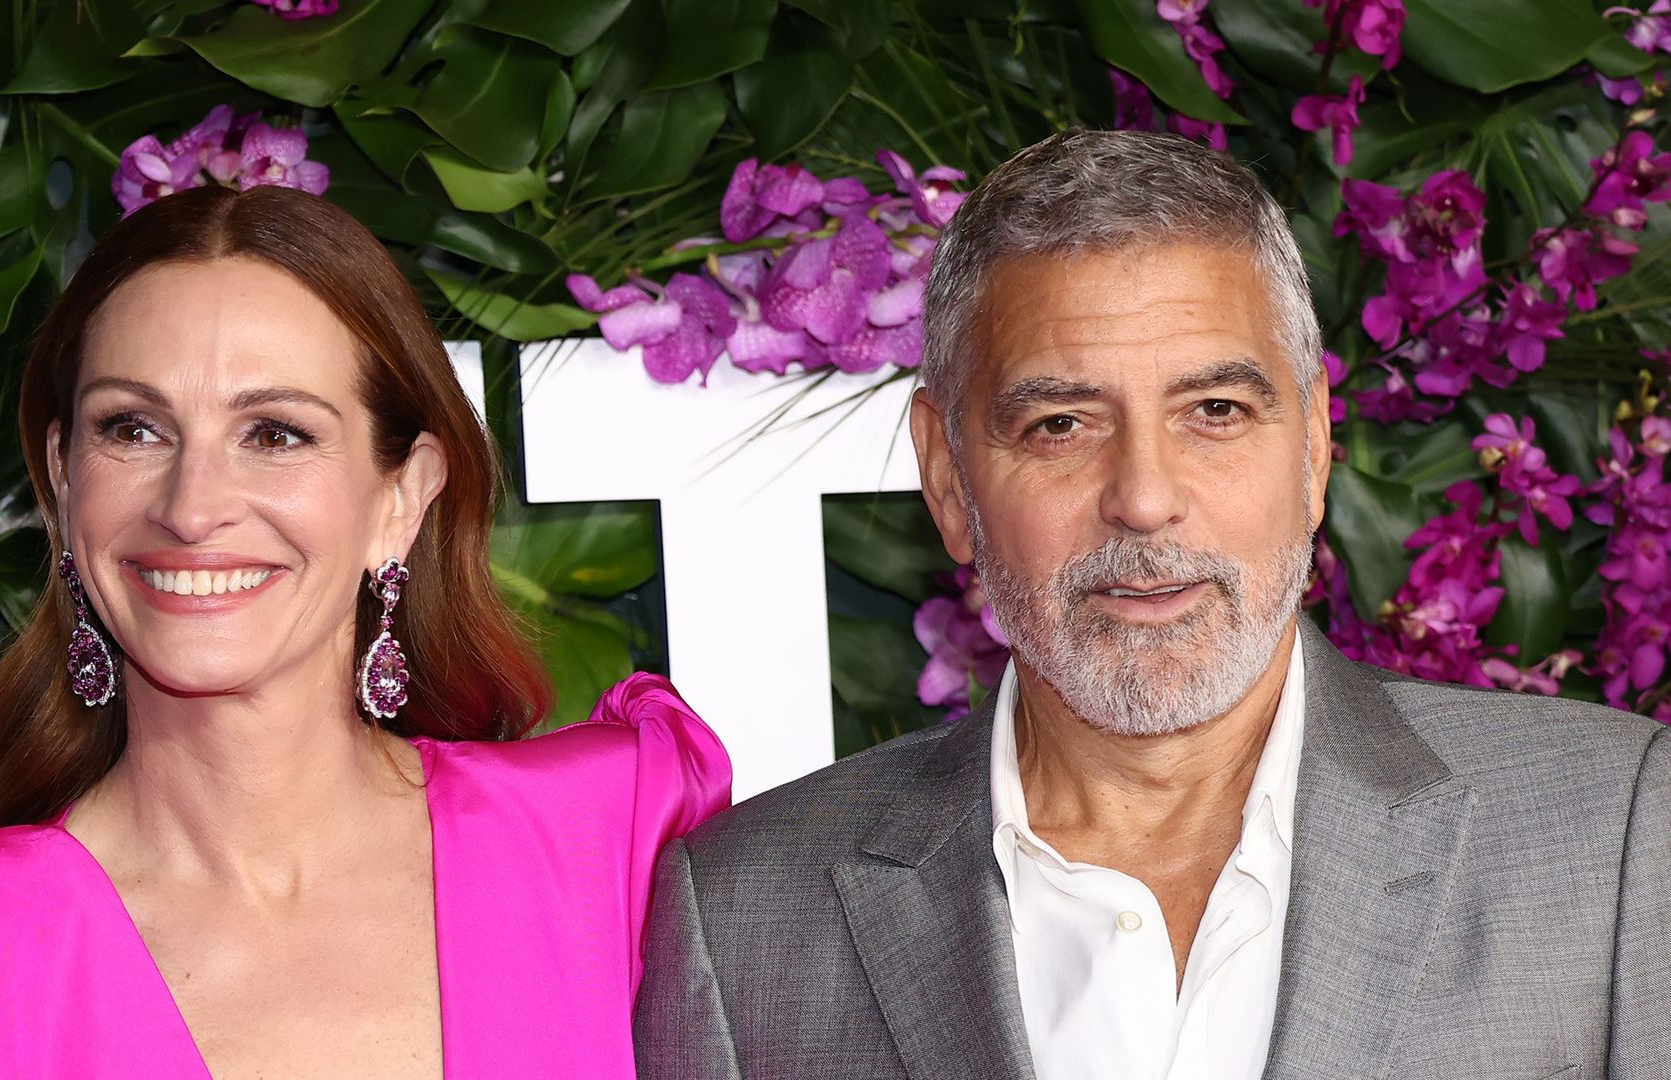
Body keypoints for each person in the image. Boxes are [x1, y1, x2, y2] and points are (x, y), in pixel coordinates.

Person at [634, 129, 1669, 1079]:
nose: (1143, 498)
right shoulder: (746, 923)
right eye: (1060, 424)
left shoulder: (1614, 835)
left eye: (1214, 410)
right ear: (948, 482)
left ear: (1314, 450)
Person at [0, 185, 730, 1079]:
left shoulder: (612, 835)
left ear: (401, 497)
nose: (191, 507)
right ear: (62, 479)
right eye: (133, 428)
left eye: (275, 433)